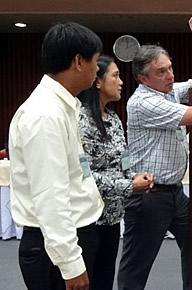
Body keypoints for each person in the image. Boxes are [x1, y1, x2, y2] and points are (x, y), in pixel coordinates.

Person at [117, 15, 192, 290]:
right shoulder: (143, 102)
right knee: (136, 267)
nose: (170, 75)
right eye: (161, 71)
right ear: (142, 78)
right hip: (149, 195)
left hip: (173, 194)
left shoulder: (167, 92)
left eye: (170, 68)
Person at [8, 22, 104, 290]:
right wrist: (70, 263)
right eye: (95, 61)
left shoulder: (62, 106)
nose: (98, 69)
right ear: (78, 62)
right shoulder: (44, 115)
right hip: (54, 246)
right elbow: (50, 195)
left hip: (69, 237)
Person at [76, 54, 154, 290]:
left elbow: (122, 164)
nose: (121, 82)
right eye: (116, 75)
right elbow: (84, 176)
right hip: (87, 221)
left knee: (104, 281)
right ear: (98, 81)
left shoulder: (114, 119)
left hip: (112, 217)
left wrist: (134, 177)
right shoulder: (81, 121)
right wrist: (130, 186)